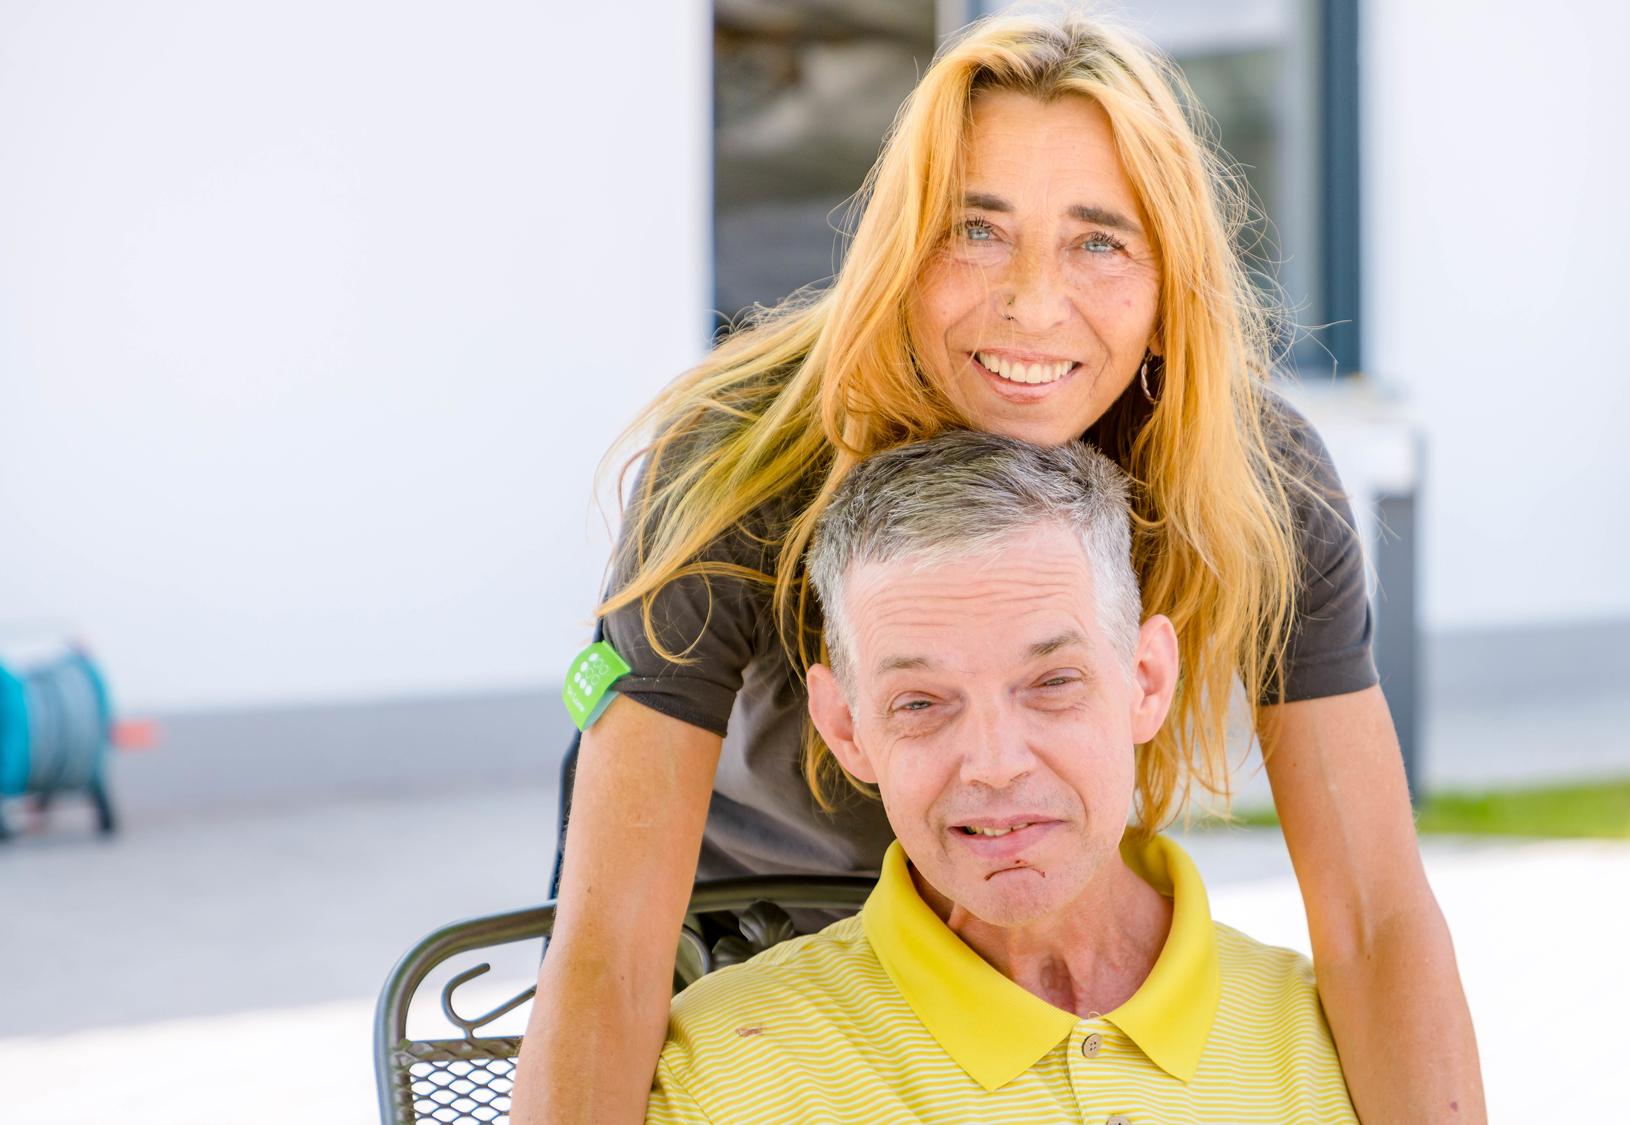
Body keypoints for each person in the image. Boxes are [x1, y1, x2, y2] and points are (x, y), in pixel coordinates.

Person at [516, 10, 1484, 1124]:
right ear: (898, 252)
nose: (1031, 303)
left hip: (1034, 954)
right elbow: (606, 951)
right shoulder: (742, 453)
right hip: (749, 976)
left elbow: (1374, 920)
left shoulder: (1257, 479)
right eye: (974, 232)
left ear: (1171, 287)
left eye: (1098, 241)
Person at [647, 430, 1355, 1123]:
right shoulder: (714, 1075)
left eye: (1051, 682)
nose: (994, 765)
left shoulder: (1335, 1041)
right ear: (846, 728)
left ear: (1145, 681)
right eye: (920, 702)